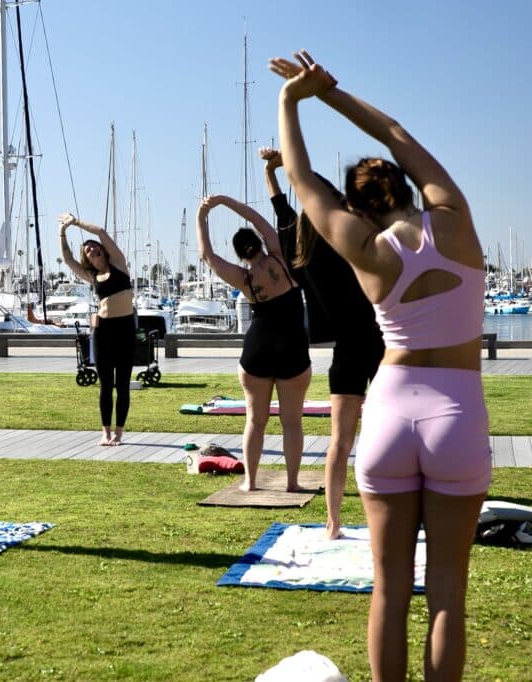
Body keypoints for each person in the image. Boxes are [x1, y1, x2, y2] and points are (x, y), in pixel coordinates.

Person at [271, 50, 491, 681]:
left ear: (361, 207)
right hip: (456, 410)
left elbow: (300, 176)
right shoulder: (454, 219)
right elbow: (396, 134)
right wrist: (333, 92)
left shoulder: (365, 248)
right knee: (447, 595)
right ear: (403, 186)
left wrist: (293, 100)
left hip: (390, 409)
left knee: (389, 593)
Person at [260, 147, 385, 539]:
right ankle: (393, 515)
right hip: (379, 346)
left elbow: (281, 208)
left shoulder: (298, 255)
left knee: (339, 443)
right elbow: (330, 196)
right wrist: (293, 167)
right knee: (390, 437)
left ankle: (333, 524)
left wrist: (272, 172)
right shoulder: (342, 244)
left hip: (345, 350)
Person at [195, 194, 311, 492]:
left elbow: (207, 255)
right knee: (292, 422)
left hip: (258, 349)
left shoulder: (244, 280)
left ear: (240, 255)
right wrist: (223, 201)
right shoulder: (281, 259)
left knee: (255, 421)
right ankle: (293, 483)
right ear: (259, 243)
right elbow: (257, 219)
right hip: (292, 348)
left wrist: (202, 217)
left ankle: (250, 482)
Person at [59, 214, 134, 446]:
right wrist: (62, 233)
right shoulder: (92, 276)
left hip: (125, 329)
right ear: (88, 260)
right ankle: (106, 432)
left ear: (102, 250)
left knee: (122, 384)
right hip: (103, 332)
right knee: (105, 385)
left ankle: (119, 433)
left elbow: (101, 231)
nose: (92, 250)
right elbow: (69, 260)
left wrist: (77, 222)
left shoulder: (119, 264)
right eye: (88, 251)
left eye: (94, 247)